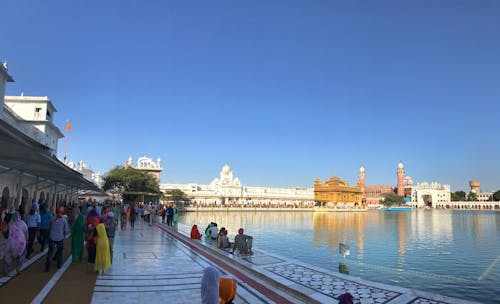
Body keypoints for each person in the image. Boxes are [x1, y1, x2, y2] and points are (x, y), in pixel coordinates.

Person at [45, 207, 69, 272]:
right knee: (60, 251)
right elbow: (66, 230)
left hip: (52, 237)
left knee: (50, 252)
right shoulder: (63, 220)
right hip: (60, 237)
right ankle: (59, 265)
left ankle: (47, 267)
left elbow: (48, 227)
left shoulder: (52, 218)